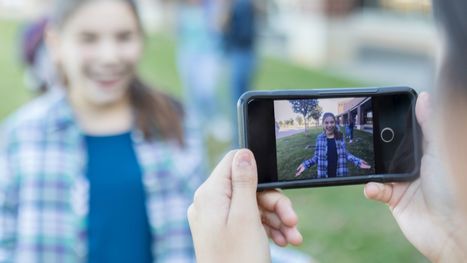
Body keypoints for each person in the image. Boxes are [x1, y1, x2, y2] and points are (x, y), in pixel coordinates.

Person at [188, 0, 467, 261]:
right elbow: (313, 159)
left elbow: (348, 156)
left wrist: (362, 162)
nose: (331, 125)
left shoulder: (342, 138)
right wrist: (454, 240)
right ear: (325, 125)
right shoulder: (322, 139)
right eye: (329, 122)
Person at [0, 0, 204, 261]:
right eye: (88, 39)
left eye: (124, 37)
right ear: (55, 43)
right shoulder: (22, 135)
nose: (109, 57)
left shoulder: (176, 124)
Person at [295, 112, 371, 178]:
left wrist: (357, 161)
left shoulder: (340, 136)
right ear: (323, 124)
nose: (330, 125)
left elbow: (345, 154)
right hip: (323, 176)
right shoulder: (319, 138)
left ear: (335, 123)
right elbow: (316, 157)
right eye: (326, 123)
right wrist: (305, 164)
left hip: (340, 174)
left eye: (332, 122)